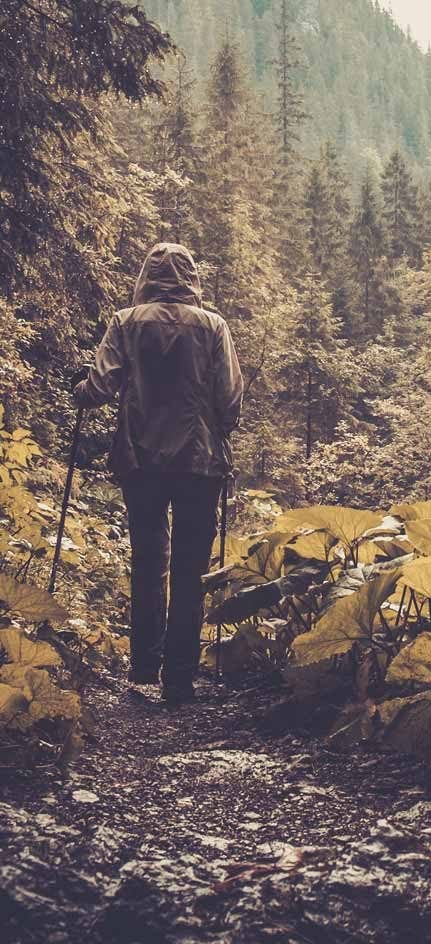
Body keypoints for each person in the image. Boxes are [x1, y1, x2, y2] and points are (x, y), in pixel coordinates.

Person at [74, 243, 243, 705]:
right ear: (191, 277)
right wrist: (222, 431)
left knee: (149, 560)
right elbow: (230, 398)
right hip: (199, 461)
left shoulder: (126, 322)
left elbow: (101, 387)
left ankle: (145, 665)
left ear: (147, 274)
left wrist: (80, 392)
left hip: (140, 459)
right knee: (191, 567)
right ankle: (180, 678)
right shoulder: (214, 327)